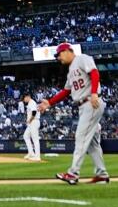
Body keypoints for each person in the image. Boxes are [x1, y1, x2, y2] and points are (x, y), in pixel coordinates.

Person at [40, 42, 110, 185]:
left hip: (91, 102)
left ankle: (73, 173)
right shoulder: (71, 69)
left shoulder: (82, 58)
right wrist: (50, 102)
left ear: (66, 51)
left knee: (81, 137)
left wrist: (95, 93)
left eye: (59, 55)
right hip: (84, 105)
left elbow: (94, 73)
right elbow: (66, 91)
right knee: (93, 143)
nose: (59, 58)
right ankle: (102, 175)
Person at [21, 94, 42, 161]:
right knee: (25, 136)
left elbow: (34, 112)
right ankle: (31, 153)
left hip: (34, 122)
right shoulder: (30, 103)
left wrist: (30, 120)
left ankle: (37, 156)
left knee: (35, 139)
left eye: (24, 98)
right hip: (32, 123)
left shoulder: (32, 102)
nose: (24, 100)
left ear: (28, 97)